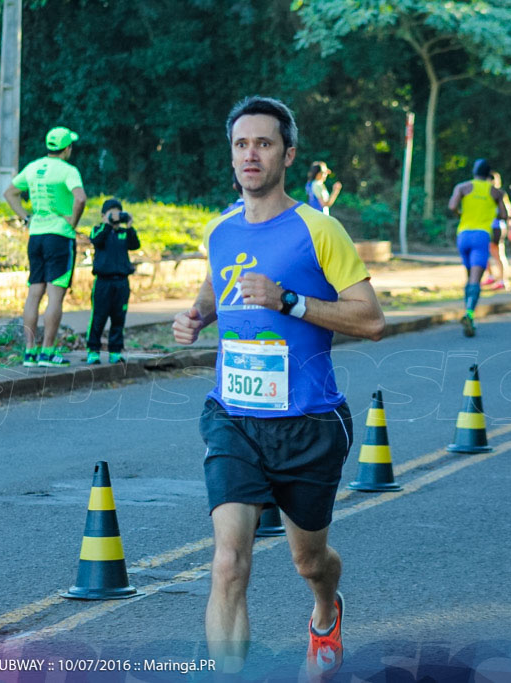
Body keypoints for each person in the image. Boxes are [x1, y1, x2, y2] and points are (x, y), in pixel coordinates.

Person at [172, 96, 385, 678]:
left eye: (263, 143)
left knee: (308, 560)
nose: (250, 154)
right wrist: (196, 316)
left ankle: (325, 609)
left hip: (309, 423)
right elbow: (219, 288)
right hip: (233, 417)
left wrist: (290, 300)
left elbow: (370, 319)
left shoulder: (320, 229)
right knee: (228, 563)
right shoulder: (220, 229)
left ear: (287, 154)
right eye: (241, 144)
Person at [4, 126, 87, 367]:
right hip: (59, 236)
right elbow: (80, 198)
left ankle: (29, 352)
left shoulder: (33, 167)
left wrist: (26, 217)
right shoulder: (68, 170)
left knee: (34, 293)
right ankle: (47, 353)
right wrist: (73, 221)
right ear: (67, 148)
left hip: (36, 235)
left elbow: (10, 193)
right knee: (55, 296)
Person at [447, 159, 506, 337]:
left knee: (469, 276)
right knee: (475, 279)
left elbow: (452, 206)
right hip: (481, 236)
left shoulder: (462, 187)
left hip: (463, 235)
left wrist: (461, 214)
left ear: (474, 171)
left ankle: (467, 311)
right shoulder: (495, 192)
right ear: (489, 174)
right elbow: (504, 214)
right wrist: (491, 208)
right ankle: (469, 314)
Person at [85, 199, 140, 365]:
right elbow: (97, 240)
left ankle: (115, 351)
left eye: (118, 213)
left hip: (122, 282)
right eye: (111, 213)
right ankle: (93, 350)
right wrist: (108, 224)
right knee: (99, 317)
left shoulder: (124, 233)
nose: (115, 217)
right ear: (103, 216)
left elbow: (135, 245)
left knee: (118, 318)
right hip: (103, 282)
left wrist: (129, 225)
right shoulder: (98, 230)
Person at [482, 171, 511, 291]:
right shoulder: (484, 194)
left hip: (497, 227)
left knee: (498, 254)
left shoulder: (499, 194)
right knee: (485, 253)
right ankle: (491, 276)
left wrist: (510, 228)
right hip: (487, 227)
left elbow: (508, 212)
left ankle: (503, 280)